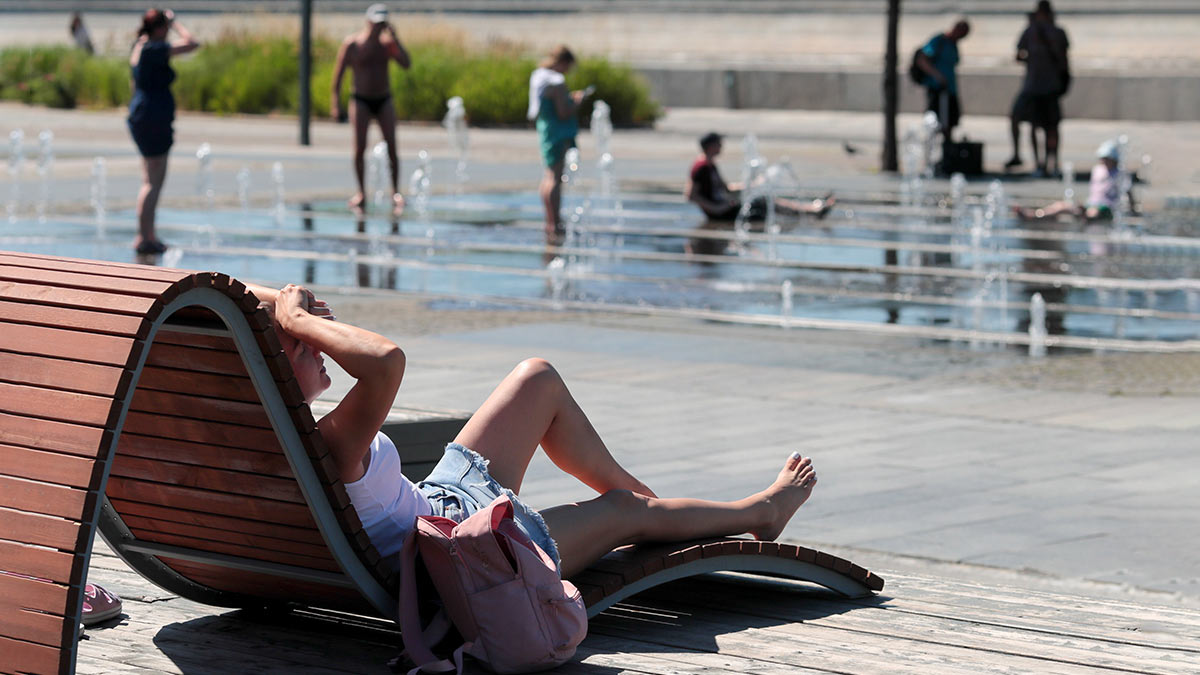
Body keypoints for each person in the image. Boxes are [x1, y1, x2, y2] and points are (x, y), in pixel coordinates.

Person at [247, 282, 819, 580]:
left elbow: (226, 291)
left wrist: (289, 310)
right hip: (464, 553)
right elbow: (387, 362)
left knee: (535, 379)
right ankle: (754, 512)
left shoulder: (260, 431)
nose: (320, 341)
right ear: (277, 371)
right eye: (304, 343)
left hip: (441, 504)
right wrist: (294, 316)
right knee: (623, 509)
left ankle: (651, 510)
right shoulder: (334, 442)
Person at [126, 8, 199, 256]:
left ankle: (147, 235)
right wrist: (176, 23)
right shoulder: (154, 49)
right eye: (165, 27)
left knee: (149, 180)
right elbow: (192, 44)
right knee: (153, 181)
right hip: (153, 118)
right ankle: (145, 237)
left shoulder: (140, 46)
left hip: (143, 115)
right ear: (159, 28)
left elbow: (134, 83)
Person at [332, 3, 411, 215]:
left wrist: (396, 39)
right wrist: (335, 103)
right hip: (361, 100)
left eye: (382, 24)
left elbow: (406, 63)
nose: (379, 27)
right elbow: (338, 75)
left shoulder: (387, 45)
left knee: (392, 146)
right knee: (359, 148)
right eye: (376, 23)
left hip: (383, 99)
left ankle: (396, 192)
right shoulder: (353, 44)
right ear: (368, 22)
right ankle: (361, 192)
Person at [686, 132, 833, 222]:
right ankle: (812, 211)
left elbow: (727, 188)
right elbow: (690, 195)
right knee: (765, 202)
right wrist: (716, 209)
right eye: (718, 143)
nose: (721, 145)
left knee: (764, 199)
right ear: (710, 146)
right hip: (721, 213)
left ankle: (811, 209)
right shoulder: (700, 167)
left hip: (726, 206)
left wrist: (752, 185)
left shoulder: (710, 165)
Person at [529, 45, 588, 243]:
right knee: (556, 178)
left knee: (548, 177)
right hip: (559, 132)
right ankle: (556, 223)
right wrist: (577, 102)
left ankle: (549, 222)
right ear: (563, 62)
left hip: (546, 130)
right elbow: (563, 112)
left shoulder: (539, 76)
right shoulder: (556, 81)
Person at [1005, 1, 1070, 176]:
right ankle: (1046, 164)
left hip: (1041, 86)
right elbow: (1064, 61)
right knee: (1044, 126)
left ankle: (1045, 164)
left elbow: (1019, 55)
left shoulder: (1043, 32)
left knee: (1045, 127)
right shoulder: (1046, 32)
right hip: (1040, 86)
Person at [1013, 140, 1135, 222]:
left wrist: (1132, 210)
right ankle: (1035, 215)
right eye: (1102, 158)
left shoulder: (1120, 173)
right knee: (1061, 205)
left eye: (1107, 158)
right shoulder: (1098, 170)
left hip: (1107, 207)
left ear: (1114, 159)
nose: (1104, 161)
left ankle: (1084, 216)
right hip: (1091, 203)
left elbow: (1128, 192)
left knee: (1093, 213)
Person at [914, 19, 971, 144]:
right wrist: (938, 76)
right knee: (936, 120)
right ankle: (932, 144)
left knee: (950, 120)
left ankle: (947, 146)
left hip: (950, 89)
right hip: (938, 89)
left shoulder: (953, 44)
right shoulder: (939, 41)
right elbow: (922, 59)